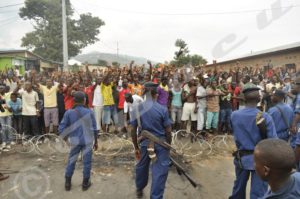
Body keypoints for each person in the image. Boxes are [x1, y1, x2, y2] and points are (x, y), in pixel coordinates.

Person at [229, 86, 277, 199]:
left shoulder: (234, 115)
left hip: (241, 158)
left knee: (238, 188)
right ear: (259, 99)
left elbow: (234, 131)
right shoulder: (265, 117)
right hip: (261, 160)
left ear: (244, 99)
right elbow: (273, 141)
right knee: (258, 192)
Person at [130, 82, 172, 199]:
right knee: (159, 172)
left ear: (144, 93)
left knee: (142, 167)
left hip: (144, 143)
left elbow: (133, 130)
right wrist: (168, 145)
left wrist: (136, 147)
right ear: (156, 94)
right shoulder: (162, 109)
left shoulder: (137, 109)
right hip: (161, 144)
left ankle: (139, 188)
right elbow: (168, 131)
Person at [59, 91, 98, 191]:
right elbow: (94, 128)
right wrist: (96, 141)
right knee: (87, 162)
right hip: (88, 140)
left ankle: (67, 184)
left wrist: (66, 139)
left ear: (74, 100)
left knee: (71, 161)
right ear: (84, 100)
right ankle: (85, 184)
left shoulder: (69, 112)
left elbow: (61, 129)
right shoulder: (89, 112)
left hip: (75, 140)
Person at [0, 84, 13, 151]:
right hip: (1, 115)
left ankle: (9, 142)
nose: (1, 89)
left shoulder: (8, 94)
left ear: (5, 89)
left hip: (8, 114)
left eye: (2, 88)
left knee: (9, 128)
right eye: (0, 88)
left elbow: (15, 91)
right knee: (3, 129)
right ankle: (4, 142)